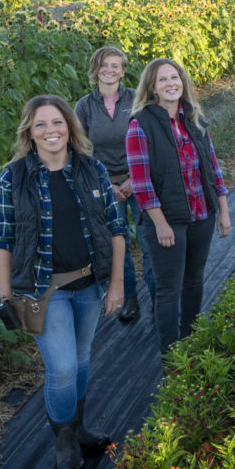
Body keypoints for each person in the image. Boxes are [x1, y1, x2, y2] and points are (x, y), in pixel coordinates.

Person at [0, 95, 126, 469]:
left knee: (82, 359)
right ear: (29, 133)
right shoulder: (12, 177)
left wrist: (115, 283)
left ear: (70, 127)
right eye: (40, 125)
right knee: (63, 368)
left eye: (57, 123)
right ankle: (64, 443)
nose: (50, 131)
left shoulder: (92, 169)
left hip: (88, 285)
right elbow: (1, 241)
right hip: (41, 291)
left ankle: (79, 428)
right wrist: (6, 296)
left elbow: (117, 229)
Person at [126, 59, 231, 355]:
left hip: (201, 214)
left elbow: (213, 169)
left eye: (175, 77)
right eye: (163, 80)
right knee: (169, 288)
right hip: (169, 220)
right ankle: (171, 356)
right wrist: (159, 223)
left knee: (194, 280)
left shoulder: (194, 119)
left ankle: (191, 340)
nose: (171, 83)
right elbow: (141, 183)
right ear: (152, 87)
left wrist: (222, 209)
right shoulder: (140, 124)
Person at [74, 45, 154, 323]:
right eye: (104, 65)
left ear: (123, 70)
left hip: (139, 180)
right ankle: (130, 295)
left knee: (148, 238)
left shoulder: (136, 99)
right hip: (105, 184)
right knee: (116, 240)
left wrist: (133, 180)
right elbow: (82, 148)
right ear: (95, 70)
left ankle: (157, 297)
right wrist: (108, 182)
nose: (109, 70)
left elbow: (148, 139)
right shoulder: (84, 106)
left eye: (115, 65)